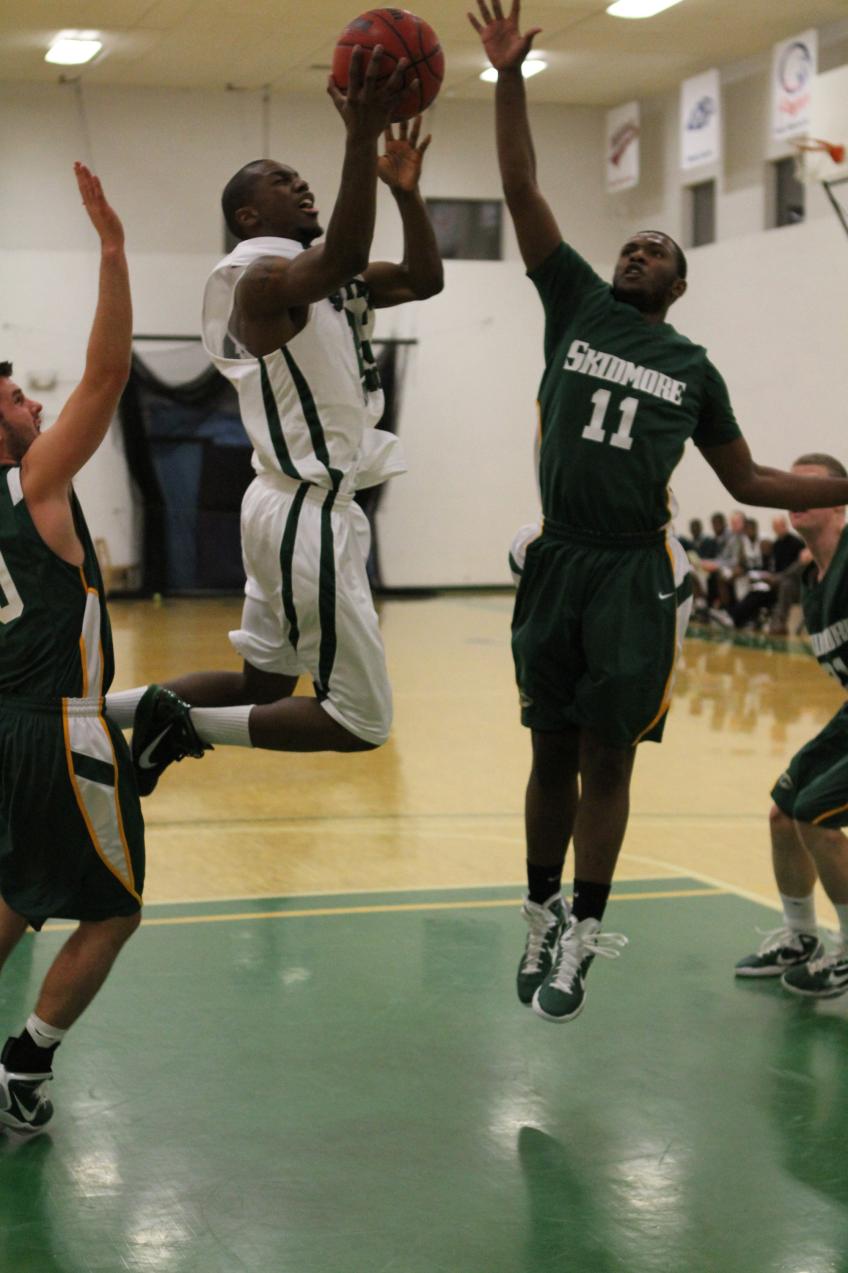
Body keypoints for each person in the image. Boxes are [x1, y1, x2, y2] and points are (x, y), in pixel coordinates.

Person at [469, 0, 848, 1024]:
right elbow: (518, 185)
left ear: (677, 287)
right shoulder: (575, 304)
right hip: (558, 558)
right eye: (627, 245)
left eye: (653, 252)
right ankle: (538, 905)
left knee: (605, 751)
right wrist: (507, 76)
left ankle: (584, 928)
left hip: (632, 571)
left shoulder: (689, 368)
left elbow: (753, 485)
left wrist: (843, 486)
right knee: (548, 746)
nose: (634, 254)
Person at [107, 49, 443, 791]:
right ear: (248, 216)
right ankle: (181, 723)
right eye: (281, 180)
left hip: (296, 507)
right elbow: (348, 250)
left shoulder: (323, 271)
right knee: (361, 721)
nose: (301, 182)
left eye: (301, 173)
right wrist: (359, 139)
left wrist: (408, 196)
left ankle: (89, 715)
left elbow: (424, 278)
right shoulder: (259, 280)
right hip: (304, 513)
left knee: (261, 689)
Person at [0, 165, 139, 1133]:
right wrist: (114, 249)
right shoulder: (33, 484)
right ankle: (25, 1061)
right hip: (60, 728)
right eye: (14, 397)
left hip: (5, 727)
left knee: (15, 889)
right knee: (115, 907)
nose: (33, 404)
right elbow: (108, 376)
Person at [735, 454, 848, 996]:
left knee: (818, 813)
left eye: (807, 487)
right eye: (786, 486)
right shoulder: (810, 578)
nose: (791, 494)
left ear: (839, 501)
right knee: (785, 813)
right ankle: (802, 937)